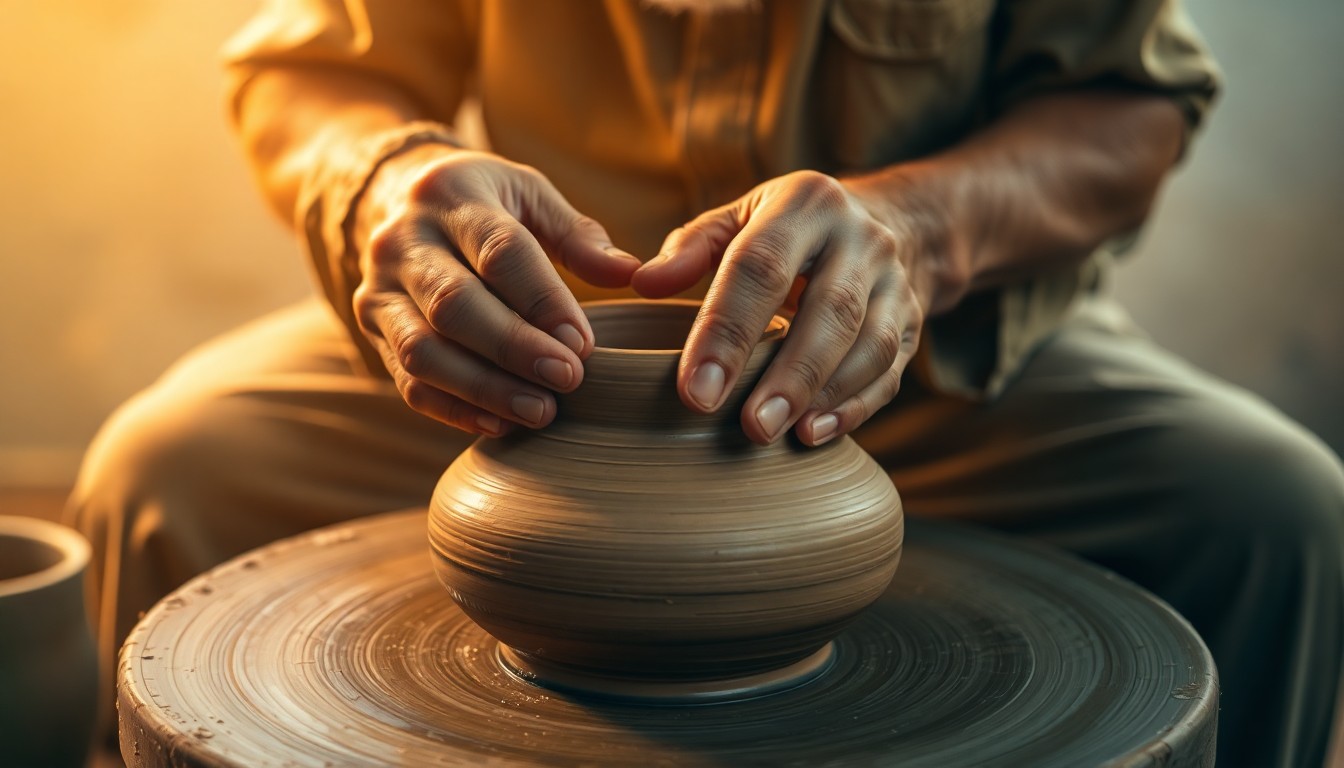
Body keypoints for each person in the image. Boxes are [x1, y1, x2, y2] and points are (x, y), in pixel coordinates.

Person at [68, 0, 1343, 764]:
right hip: (527, 368)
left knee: (1273, 518)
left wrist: (920, 231)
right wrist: (386, 176)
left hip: (909, 353)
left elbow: (1131, 113)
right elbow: (312, 71)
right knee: (164, 472)